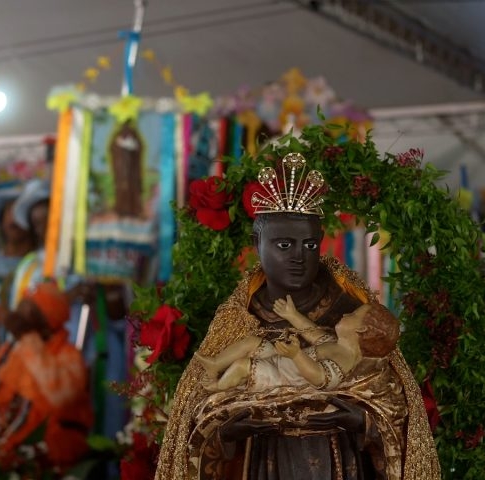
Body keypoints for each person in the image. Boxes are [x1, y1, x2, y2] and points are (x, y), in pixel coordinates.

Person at [157, 154, 439, 480]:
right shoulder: (238, 318)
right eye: (284, 244)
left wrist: (363, 422)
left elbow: (393, 402)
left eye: (308, 244)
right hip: (260, 460)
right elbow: (195, 420)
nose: (298, 257)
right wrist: (226, 429)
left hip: (339, 461)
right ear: (256, 244)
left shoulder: (350, 310)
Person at [0, 281, 92, 471]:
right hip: (0, 447)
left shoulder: (69, 355)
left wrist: (26, 336)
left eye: (29, 309)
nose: (19, 313)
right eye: (22, 305)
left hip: (47, 457)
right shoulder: (12, 347)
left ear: (47, 319)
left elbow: (59, 397)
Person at [197, 296, 398, 392]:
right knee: (252, 342)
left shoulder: (345, 359)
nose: (346, 314)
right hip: (281, 360)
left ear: (361, 330)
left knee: (243, 366)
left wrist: (296, 355)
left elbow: (320, 378)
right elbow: (312, 333)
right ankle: (216, 364)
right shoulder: (337, 345)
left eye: (353, 315)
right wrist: (292, 315)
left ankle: (218, 387)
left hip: (281, 377)